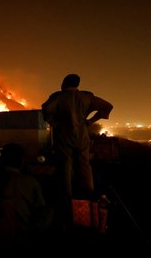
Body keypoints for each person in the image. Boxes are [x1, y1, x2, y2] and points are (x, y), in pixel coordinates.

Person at [41, 73, 113, 231]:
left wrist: (54, 123)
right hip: (82, 135)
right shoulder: (87, 97)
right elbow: (108, 106)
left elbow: (46, 109)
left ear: (64, 83)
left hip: (64, 135)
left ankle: (67, 195)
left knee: (65, 164)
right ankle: (89, 192)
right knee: (84, 163)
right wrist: (90, 121)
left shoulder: (58, 96)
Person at [0, 143, 53, 251]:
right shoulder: (29, 182)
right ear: (21, 161)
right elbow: (41, 210)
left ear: (1, 159)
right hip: (21, 238)